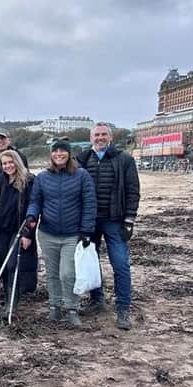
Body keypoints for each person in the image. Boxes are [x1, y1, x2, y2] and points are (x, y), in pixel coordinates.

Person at [76, 122, 140, 330]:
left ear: (110, 137)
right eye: (97, 135)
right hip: (89, 221)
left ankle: (123, 307)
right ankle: (97, 299)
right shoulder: (83, 159)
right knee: (91, 263)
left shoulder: (125, 160)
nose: (100, 138)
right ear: (91, 137)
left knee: (121, 264)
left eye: (104, 134)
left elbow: (133, 191)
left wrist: (129, 220)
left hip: (115, 220)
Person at [26, 139, 96, 327]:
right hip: (47, 233)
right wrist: (31, 216)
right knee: (52, 273)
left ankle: (72, 307)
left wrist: (86, 230)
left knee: (67, 273)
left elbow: (89, 204)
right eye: (55, 151)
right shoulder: (42, 177)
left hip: (72, 234)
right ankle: (54, 306)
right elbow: (35, 201)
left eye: (62, 151)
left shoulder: (81, 175)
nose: (59, 154)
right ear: (51, 154)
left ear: (69, 153)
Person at [0, 150, 37, 320]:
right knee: (2, 264)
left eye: (10, 162)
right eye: (4, 163)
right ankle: (6, 298)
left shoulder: (29, 181)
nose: (7, 166)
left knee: (13, 264)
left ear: (17, 162)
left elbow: (33, 209)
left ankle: (12, 304)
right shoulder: (0, 180)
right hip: (1, 230)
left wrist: (28, 233)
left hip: (19, 230)